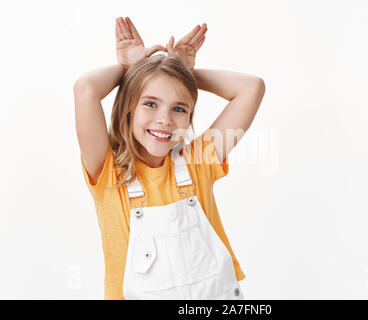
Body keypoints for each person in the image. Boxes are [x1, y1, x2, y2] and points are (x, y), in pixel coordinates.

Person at [73, 16, 265, 300]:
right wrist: (131, 69)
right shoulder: (109, 172)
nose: (164, 120)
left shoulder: (198, 162)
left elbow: (252, 88)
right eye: (150, 103)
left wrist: (181, 73)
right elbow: (85, 89)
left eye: (179, 108)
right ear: (128, 107)